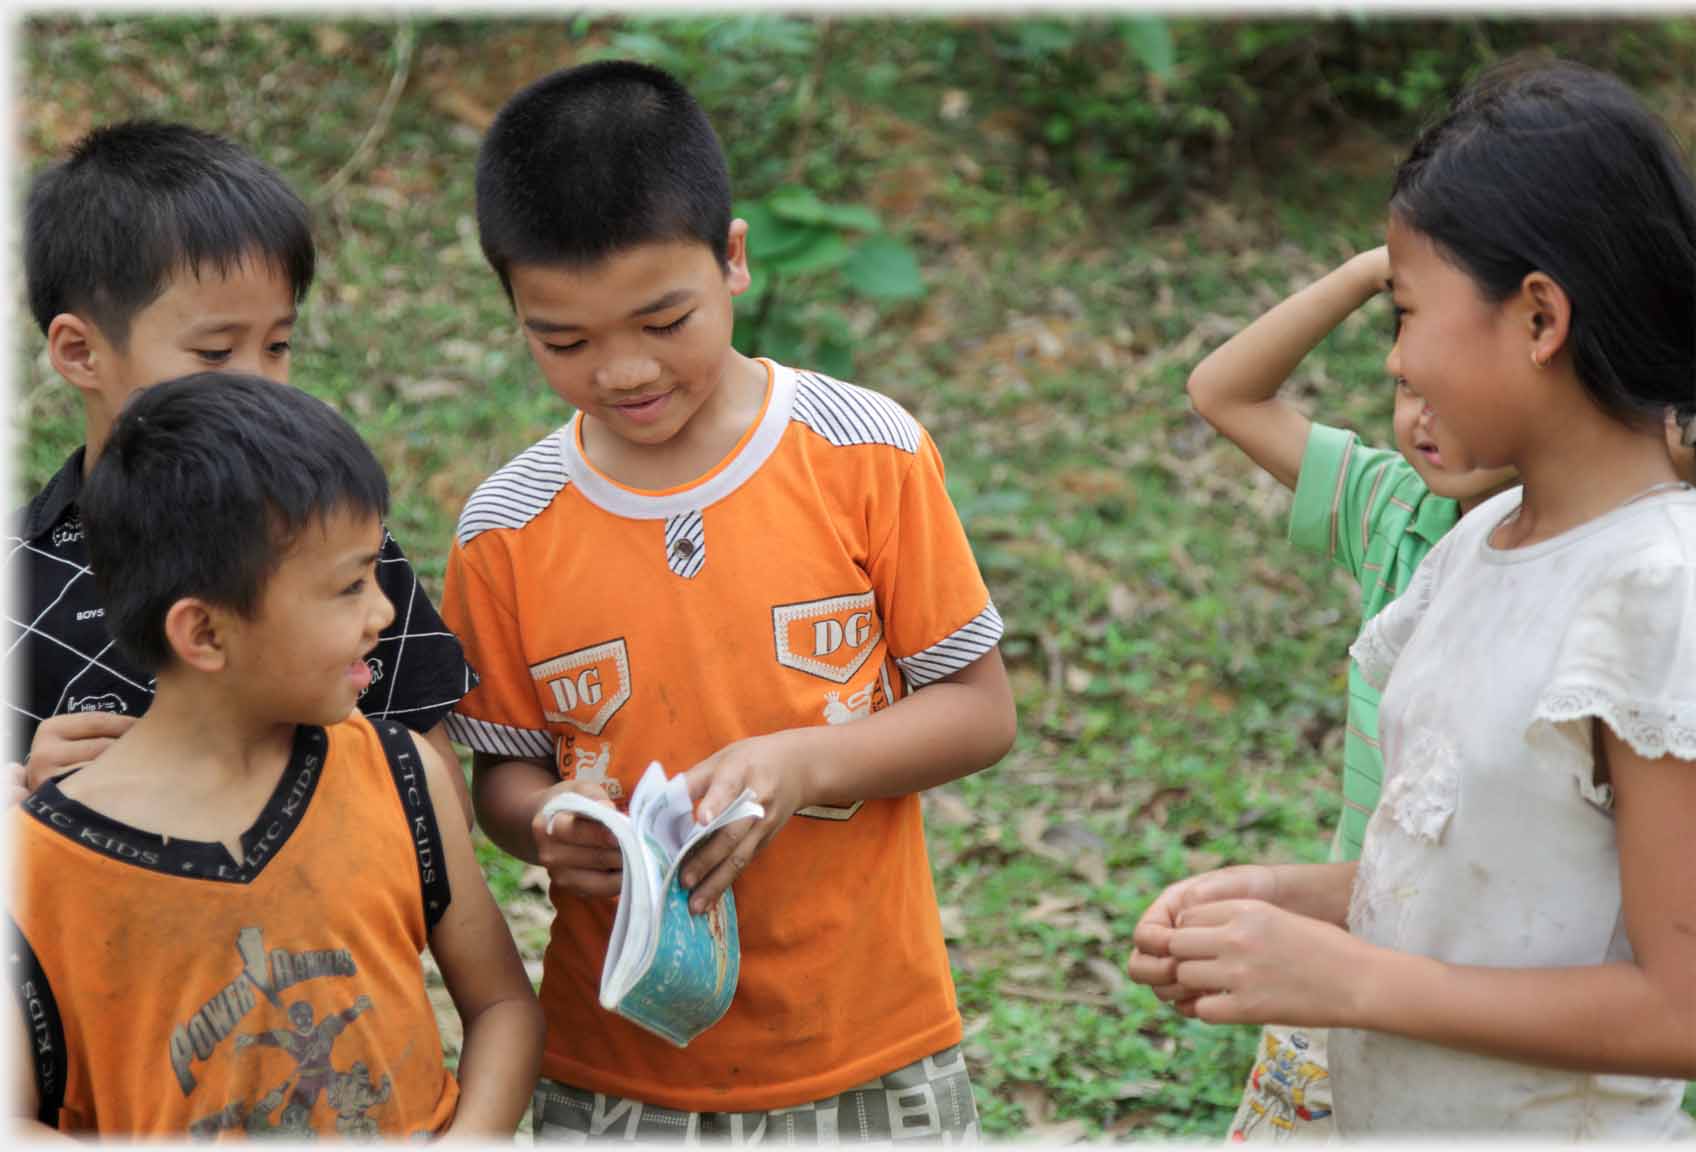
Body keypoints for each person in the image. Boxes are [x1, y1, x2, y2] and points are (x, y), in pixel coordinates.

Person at [1130, 60, 1696, 1138]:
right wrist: (1279, 898)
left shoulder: (1661, 591)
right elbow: (1483, 879)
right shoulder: (1486, 541)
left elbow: (1693, 1009)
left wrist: (1347, 981)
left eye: (1405, 316)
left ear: (1539, 319)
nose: (1398, 361)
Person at [441, 60, 1017, 1142]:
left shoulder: (864, 454)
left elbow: (981, 710)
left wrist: (805, 764)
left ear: (735, 260)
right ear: (515, 311)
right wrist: (547, 826)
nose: (621, 371)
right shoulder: (506, 529)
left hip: (865, 1039)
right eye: (563, 340)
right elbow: (504, 775)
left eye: (664, 320)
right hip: (620, 1063)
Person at [6, 374, 544, 1138]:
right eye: (350, 586)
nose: (385, 611)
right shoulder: (40, 871)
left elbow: (502, 1007)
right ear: (206, 634)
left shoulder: (397, 777)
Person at [10, 120, 474, 816]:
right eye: (216, 352)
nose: (257, 382)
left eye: (279, 345)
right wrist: (35, 799)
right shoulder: (23, 582)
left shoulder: (337, 548)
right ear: (80, 353)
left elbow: (443, 807)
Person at [1182, 227, 1518, 1142]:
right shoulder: (1391, 512)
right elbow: (1221, 389)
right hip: (1347, 928)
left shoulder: (1592, 553)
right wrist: (1386, 274)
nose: (1424, 417)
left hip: (1498, 967)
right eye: (1407, 387)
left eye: (1450, 387)